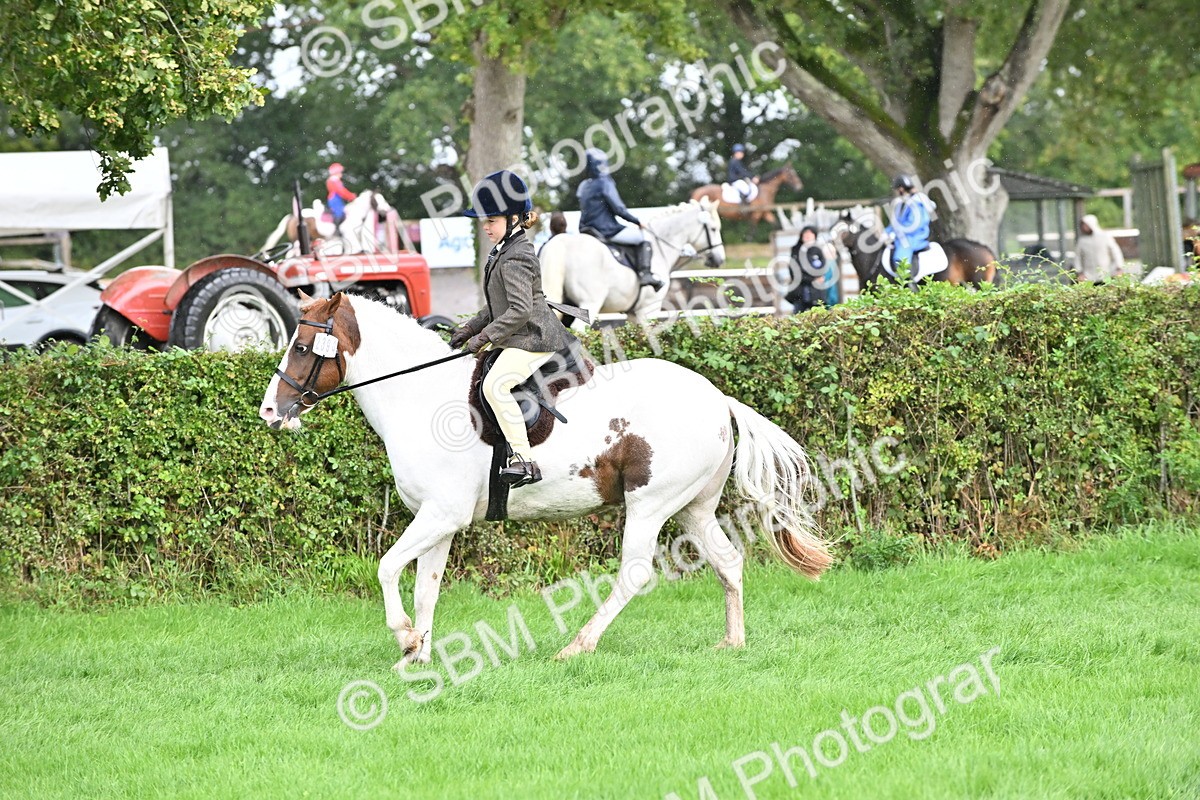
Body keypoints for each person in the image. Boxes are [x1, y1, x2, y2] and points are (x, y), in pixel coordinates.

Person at [449, 170, 577, 487]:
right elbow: (498, 306)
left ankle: (525, 460)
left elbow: (519, 311)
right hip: (519, 332)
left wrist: (484, 337)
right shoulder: (504, 249)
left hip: (535, 337)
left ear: (514, 219)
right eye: (485, 221)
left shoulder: (516, 255)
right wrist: (469, 329)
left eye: (491, 221)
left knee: (495, 386)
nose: (486, 227)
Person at [577, 149, 664, 291]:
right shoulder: (605, 183)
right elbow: (619, 209)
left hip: (586, 229)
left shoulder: (583, 185)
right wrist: (637, 222)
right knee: (644, 237)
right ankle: (645, 274)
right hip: (606, 230)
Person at [884, 174, 935, 275]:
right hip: (904, 236)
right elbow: (897, 223)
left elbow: (914, 226)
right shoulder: (903, 203)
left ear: (901, 189)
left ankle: (908, 282)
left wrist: (896, 233)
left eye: (897, 190)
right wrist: (886, 233)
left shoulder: (917, 202)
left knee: (900, 257)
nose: (896, 193)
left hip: (915, 237)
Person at [786, 225, 838, 312]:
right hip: (800, 291)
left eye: (810, 234)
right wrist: (812, 280)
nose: (808, 236)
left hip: (817, 292)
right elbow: (794, 272)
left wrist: (820, 278)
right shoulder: (796, 251)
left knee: (819, 314)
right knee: (798, 314)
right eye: (805, 234)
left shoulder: (818, 250)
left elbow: (823, 267)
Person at [1075, 213, 1125, 284]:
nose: (1084, 227)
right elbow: (1078, 257)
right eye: (1083, 225)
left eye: (1086, 225)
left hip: (1106, 274)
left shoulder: (1105, 236)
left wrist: (1119, 267)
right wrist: (1079, 272)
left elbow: (1115, 252)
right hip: (1088, 276)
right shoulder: (1082, 241)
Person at [326, 163, 357, 232]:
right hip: (335, 199)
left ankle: (337, 229)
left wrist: (350, 195)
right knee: (339, 213)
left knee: (340, 213)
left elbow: (342, 191)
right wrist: (351, 196)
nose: (341, 174)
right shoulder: (334, 180)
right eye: (340, 172)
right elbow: (341, 191)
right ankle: (337, 230)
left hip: (335, 199)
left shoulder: (333, 180)